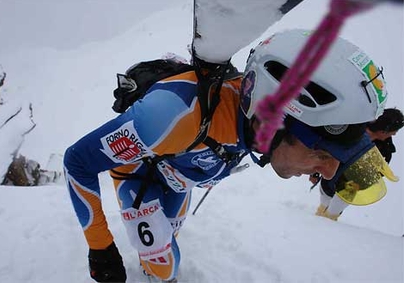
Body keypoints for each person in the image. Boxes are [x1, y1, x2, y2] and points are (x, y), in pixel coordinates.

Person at [63, 29, 387, 282]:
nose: (329, 174)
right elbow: (78, 161)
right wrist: (101, 248)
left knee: (164, 249)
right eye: (321, 152)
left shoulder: (250, 118)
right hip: (139, 175)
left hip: (179, 179)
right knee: (164, 265)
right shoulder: (172, 113)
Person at [312, 108, 403, 221]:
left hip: (350, 185)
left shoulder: (385, 150)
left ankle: (329, 220)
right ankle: (320, 215)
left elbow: (377, 174)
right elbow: (326, 150)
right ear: (383, 132)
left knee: (332, 214)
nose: (394, 134)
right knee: (325, 198)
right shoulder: (350, 129)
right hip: (330, 175)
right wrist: (315, 172)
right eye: (394, 131)